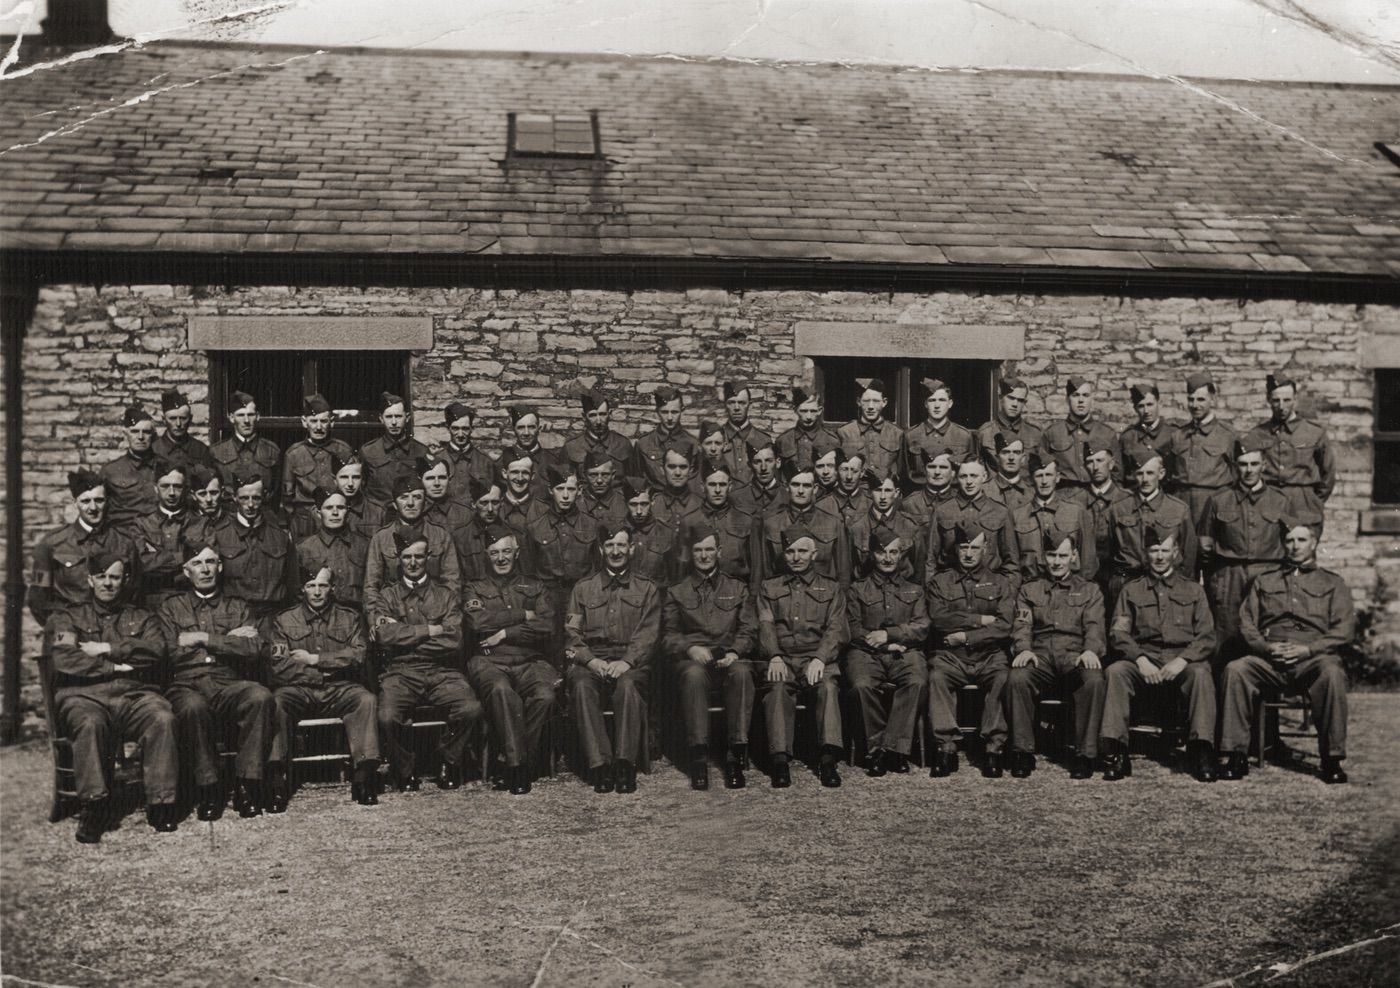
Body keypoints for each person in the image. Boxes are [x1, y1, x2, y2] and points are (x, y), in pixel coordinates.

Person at [44, 553, 178, 842]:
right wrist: (116, 665)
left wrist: (107, 647)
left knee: (162, 716)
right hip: (84, 695)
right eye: (102, 577)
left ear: (125, 580)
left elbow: (157, 652)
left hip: (134, 695)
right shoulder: (68, 617)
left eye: (115, 577)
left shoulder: (141, 617)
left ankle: (161, 802)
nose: (108, 583)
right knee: (90, 723)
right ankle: (95, 805)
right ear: (90, 580)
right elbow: (66, 660)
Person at [1220, 520, 1353, 784]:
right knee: (1236, 670)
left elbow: (1345, 628)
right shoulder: (1264, 581)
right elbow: (1246, 622)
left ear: (1314, 543)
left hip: (1312, 659)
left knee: (1332, 673)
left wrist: (1309, 650)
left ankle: (1332, 759)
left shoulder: (1333, 583)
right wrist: (1266, 648)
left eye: (1301, 540)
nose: (1295, 546)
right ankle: (1235, 754)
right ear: (1284, 545)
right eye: (1290, 540)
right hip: (1270, 659)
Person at [158, 542, 274, 820]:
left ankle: (247, 785)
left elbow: (253, 649)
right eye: (197, 563)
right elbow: (170, 652)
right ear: (187, 572)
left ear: (220, 567)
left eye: (211, 562)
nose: (205, 569)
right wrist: (230, 640)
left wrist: (203, 639)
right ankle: (208, 788)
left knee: (260, 697)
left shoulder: (237, 606)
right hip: (187, 682)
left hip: (229, 682)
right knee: (192, 707)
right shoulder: (171, 608)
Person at [1102, 527, 1218, 783]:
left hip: (1181, 660)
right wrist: (1140, 660)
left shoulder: (1194, 591)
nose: (1159, 556)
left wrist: (1183, 660)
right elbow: (1118, 633)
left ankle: (1201, 750)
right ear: (1146, 553)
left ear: (1176, 553)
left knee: (1201, 673)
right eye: (1154, 550)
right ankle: (1117, 752)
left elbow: (1207, 635)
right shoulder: (1132, 590)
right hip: (1144, 658)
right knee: (1115, 672)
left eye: (1165, 550)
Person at [370, 530, 480, 791]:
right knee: (387, 716)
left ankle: (449, 760)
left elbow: (454, 640)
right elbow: (384, 637)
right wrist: (432, 629)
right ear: (398, 558)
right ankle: (405, 769)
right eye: (407, 557)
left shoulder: (445, 596)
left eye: (419, 556)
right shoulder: (387, 596)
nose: (412, 562)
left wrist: (404, 632)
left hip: (442, 670)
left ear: (428, 557)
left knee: (470, 709)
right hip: (400, 671)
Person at [265, 564, 380, 809]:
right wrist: (325, 672)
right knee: (276, 702)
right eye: (311, 586)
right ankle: (277, 778)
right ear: (302, 590)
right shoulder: (284, 620)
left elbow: (358, 656)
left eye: (323, 586)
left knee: (365, 700)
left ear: (332, 589)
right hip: (299, 689)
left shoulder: (349, 618)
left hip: (340, 688)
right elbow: (279, 667)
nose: (317, 592)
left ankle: (364, 775)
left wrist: (315, 660)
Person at [564, 526, 662, 795]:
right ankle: (599, 765)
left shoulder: (647, 589)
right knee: (582, 686)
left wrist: (627, 661)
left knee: (627, 687)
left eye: (621, 546)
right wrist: (590, 661)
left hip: (630, 662)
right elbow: (571, 634)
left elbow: (649, 634)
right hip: (592, 661)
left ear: (632, 549)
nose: (616, 551)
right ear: (600, 550)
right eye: (610, 546)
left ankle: (624, 763)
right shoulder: (582, 589)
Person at [462, 526, 558, 795]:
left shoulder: (535, 586)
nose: (501, 558)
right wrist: (523, 615)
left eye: (506, 551)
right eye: (494, 553)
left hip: (531, 660)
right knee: (502, 691)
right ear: (486, 555)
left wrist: (506, 632)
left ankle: (510, 759)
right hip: (489, 660)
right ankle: (518, 766)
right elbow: (477, 622)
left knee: (546, 696)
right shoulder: (474, 587)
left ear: (517, 553)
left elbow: (548, 626)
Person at [663, 523, 759, 790]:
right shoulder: (677, 590)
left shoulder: (737, 588)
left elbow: (748, 628)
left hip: (729, 656)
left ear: (719, 551)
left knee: (741, 673)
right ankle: (699, 755)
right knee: (693, 676)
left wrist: (734, 651)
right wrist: (689, 648)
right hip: (694, 660)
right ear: (689, 554)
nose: (704, 556)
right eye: (697, 550)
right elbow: (668, 635)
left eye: (708, 550)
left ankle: (734, 753)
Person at [1006, 529, 1107, 780]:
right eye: (1051, 555)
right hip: (1039, 654)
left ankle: (1085, 754)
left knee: (1093, 680)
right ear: (1044, 556)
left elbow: (1095, 626)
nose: (1057, 561)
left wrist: (1090, 651)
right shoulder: (1030, 590)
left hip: (1074, 654)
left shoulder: (1090, 590)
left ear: (1073, 556)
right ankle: (1023, 751)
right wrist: (1024, 649)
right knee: (1017, 678)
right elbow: (1022, 625)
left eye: (1063, 555)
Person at [756, 525, 848, 788]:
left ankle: (828, 759)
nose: (796, 557)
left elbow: (836, 628)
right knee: (776, 689)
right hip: (782, 658)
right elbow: (765, 624)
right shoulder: (768, 587)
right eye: (790, 551)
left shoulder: (831, 589)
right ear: (783, 555)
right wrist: (773, 655)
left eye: (802, 551)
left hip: (817, 659)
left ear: (815, 554)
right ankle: (780, 760)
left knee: (828, 688)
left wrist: (820, 658)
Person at [927, 522, 1014, 778]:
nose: (968, 554)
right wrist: (979, 620)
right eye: (963, 547)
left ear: (985, 549)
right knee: (936, 676)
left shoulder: (1000, 583)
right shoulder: (940, 582)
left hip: (989, 655)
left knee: (1002, 677)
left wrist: (966, 635)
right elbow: (938, 619)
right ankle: (946, 747)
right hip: (951, 657)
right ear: (955, 549)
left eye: (974, 548)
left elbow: (1005, 626)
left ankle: (993, 749)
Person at [843, 534, 928, 777]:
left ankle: (893, 750)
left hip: (906, 652)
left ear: (901, 555)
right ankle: (877, 748)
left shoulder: (915, 590)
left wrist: (890, 635)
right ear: (871, 555)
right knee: (861, 686)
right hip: (865, 653)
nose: (888, 558)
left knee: (918, 682)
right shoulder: (857, 589)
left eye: (893, 552)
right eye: (881, 552)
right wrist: (883, 644)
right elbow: (852, 627)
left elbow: (921, 626)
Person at [1198, 435, 1289, 661]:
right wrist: (1218, 578)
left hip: (1268, 574)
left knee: (1266, 630)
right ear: (1235, 466)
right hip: (1229, 576)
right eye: (1243, 464)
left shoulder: (1280, 501)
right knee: (1225, 634)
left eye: (1254, 464)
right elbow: (1205, 545)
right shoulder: (1219, 500)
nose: (1249, 470)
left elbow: (1291, 543)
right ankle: (1221, 692)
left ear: (1264, 466)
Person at [28, 471, 140, 626]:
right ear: (75, 502)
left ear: (107, 501)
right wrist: (62, 626)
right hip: (70, 628)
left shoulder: (124, 543)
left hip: (113, 631)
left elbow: (134, 593)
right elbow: (38, 599)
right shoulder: (52, 543)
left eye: (99, 500)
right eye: (86, 501)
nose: (93, 507)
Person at [1105, 452, 1198, 612]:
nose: (1145, 479)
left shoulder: (1178, 509)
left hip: (1166, 584)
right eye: (1140, 473)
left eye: (1150, 473)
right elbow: (1110, 549)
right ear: (1134, 475)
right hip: (1127, 580)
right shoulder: (1118, 508)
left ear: (1161, 474)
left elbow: (1188, 553)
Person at [364, 468, 461, 617]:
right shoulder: (381, 538)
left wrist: (441, 616)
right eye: (404, 497)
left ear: (425, 502)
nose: (410, 503)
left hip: (434, 613)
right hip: (394, 613)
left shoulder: (441, 536)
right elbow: (371, 586)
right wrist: (376, 619)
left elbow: (452, 582)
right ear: (395, 505)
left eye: (416, 497)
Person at [522, 463, 597, 655]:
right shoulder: (535, 527)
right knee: (550, 647)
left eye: (570, 489)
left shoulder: (592, 525)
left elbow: (598, 568)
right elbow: (527, 571)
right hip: (548, 598)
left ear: (579, 491)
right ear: (550, 490)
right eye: (560, 489)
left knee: (580, 644)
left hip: (581, 597)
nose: (565, 495)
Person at [1247, 373, 1336, 528]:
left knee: (1302, 551)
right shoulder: (1257, 434)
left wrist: (1312, 501)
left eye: (1287, 400)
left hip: (1303, 507)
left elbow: (1327, 474)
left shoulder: (1314, 433)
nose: (1281, 406)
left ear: (1295, 399)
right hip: (1268, 506)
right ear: (1269, 400)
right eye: (1276, 400)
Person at [210, 474, 298, 620]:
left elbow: (294, 585)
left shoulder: (281, 536)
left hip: (274, 617)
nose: (250, 504)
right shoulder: (219, 535)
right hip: (233, 618)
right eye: (244, 498)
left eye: (256, 498)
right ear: (234, 498)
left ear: (264, 497)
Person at [756, 463, 851, 587]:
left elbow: (843, 574)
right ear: (786, 487)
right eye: (795, 485)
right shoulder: (771, 524)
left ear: (815, 489)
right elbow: (764, 571)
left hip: (822, 598)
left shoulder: (833, 523)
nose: (800, 491)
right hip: (782, 597)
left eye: (806, 486)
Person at [1164, 372, 1237, 531]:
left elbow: (1237, 477)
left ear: (1213, 399)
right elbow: (1169, 475)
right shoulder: (1178, 436)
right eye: (1191, 399)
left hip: (1213, 505)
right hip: (1181, 504)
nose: (1195, 405)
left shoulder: (1228, 435)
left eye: (1201, 399)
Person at [930, 457, 1019, 583]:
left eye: (974, 476)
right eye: (963, 476)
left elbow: (1012, 562)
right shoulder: (942, 510)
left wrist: (1007, 593)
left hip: (989, 588)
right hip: (950, 589)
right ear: (956, 478)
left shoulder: (1000, 512)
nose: (969, 481)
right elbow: (930, 559)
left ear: (984, 477)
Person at [1012, 454, 1097, 582]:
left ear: (1057, 478)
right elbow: (1012, 563)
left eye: (1049, 475)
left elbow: (1088, 560)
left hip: (1069, 589)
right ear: (1031, 480)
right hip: (1030, 589)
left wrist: (1078, 592)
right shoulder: (1018, 515)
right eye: (1039, 476)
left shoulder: (1076, 511)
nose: (1044, 481)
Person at [281, 393, 354, 541]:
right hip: (305, 525)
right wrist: (291, 527)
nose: (319, 427)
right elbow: (287, 497)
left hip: (337, 521)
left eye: (323, 421)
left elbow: (352, 489)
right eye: (313, 421)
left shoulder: (343, 450)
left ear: (331, 422)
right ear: (304, 422)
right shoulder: (294, 454)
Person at [130, 460, 202, 607]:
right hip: (151, 601)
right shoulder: (141, 524)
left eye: (177, 487)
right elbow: (142, 565)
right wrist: (186, 556)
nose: (171, 493)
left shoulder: (200, 523)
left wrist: (157, 556)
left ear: (186, 490)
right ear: (156, 488)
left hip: (191, 601)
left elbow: (204, 565)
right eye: (165, 486)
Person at [1067, 440, 1132, 601]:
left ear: (1111, 464)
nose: (1095, 467)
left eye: (1100, 461)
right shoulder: (1074, 501)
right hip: (1083, 579)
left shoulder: (1128, 500)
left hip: (1120, 580)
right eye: (1090, 462)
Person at [678, 458, 757, 586]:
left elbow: (756, 566)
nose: (718, 490)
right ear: (703, 487)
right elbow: (681, 566)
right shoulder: (689, 520)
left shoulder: (745, 520)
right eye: (712, 485)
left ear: (730, 487)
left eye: (723, 484)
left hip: (737, 590)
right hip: (699, 591)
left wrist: (752, 597)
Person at [295, 486, 371, 612]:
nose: (335, 513)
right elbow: (297, 593)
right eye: (329, 508)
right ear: (318, 512)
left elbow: (372, 587)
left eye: (340, 508)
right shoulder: (304, 548)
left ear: (348, 511)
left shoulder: (364, 545)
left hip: (357, 615)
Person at [1039, 377, 1118, 490]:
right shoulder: (1052, 433)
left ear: (1092, 400)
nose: (1081, 400)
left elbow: (1117, 474)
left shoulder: (1107, 433)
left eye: (1085, 395)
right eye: (1075, 395)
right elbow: (1041, 471)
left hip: (1096, 496)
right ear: (1067, 399)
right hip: (1063, 497)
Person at [903, 378, 979, 491]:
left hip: (954, 498)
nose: (937, 405)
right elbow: (905, 474)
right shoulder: (911, 435)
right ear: (925, 404)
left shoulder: (964, 436)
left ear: (950, 403)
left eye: (942, 400)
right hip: (920, 497)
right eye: (932, 400)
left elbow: (972, 471)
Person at [359, 392, 430, 510]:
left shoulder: (421, 452)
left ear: (407, 418)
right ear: (381, 418)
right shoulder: (368, 452)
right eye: (388, 417)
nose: (393, 422)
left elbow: (428, 490)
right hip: (377, 519)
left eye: (398, 416)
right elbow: (361, 489)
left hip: (410, 515)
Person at [847, 472, 922, 582]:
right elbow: (849, 570)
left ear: (896, 493)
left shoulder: (910, 527)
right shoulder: (856, 528)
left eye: (887, 491)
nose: (882, 497)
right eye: (878, 490)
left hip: (902, 592)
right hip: (867, 593)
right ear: (869, 492)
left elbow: (919, 572)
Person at [210, 390, 281, 503]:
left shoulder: (271, 451)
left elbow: (277, 492)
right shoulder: (217, 452)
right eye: (241, 415)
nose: (246, 421)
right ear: (231, 417)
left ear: (258, 416)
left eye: (251, 415)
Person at [101, 405, 162, 533]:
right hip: (123, 538)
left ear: (153, 435)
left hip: (158, 536)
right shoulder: (111, 471)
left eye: (146, 432)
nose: (140, 437)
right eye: (134, 431)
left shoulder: (166, 468)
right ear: (126, 434)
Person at [630, 386, 698, 490]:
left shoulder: (693, 444)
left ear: (682, 410)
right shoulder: (643, 444)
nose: (670, 418)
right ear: (657, 412)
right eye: (665, 412)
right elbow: (637, 482)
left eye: (674, 412)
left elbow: (696, 484)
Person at [837, 378, 902, 480]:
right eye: (866, 401)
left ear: (884, 402)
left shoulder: (897, 434)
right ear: (859, 402)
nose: (870, 406)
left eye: (876, 401)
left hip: (885, 491)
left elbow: (901, 472)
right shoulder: (844, 432)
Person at [563, 388, 633, 477]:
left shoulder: (623, 444)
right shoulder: (571, 447)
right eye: (592, 415)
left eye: (603, 414)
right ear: (584, 417)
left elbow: (633, 480)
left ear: (609, 415)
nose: (598, 421)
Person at [438, 401, 497, 504]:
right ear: (448, 428)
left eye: (465, 429)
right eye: (455, 428)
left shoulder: (485, 462)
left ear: (471, 429)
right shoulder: (437, 460)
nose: (460, 434)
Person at [621, 478, 678, 585]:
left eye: (644, 504)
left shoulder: (667, 533)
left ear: (652, 501)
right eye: (633, 504)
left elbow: (674, 577)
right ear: (625, 503)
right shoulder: (618, 533)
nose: (638, 511)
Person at [978, 377, 1042, 470]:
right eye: (1011, 398)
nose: (1015, 404)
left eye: (1020, 400)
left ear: (1024, 403)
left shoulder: (1034, 434)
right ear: (1001, 398)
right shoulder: (985, 433)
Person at [500, 405, 562, 498]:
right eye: (521, 427)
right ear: (514, 429)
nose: (526, 433)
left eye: (531, 427)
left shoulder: (553, 461)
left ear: (539, 428)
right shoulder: (501, 462)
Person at [775, 388, 840, 472]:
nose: (808, 417)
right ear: (795, 410)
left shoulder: (832, 440)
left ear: (819, 411)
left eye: (813, 411)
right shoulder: (783, 440)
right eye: (804, 411)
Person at [456, 477, 508, 581]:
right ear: (473, 504)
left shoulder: (514, 533)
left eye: (495, 502)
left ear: (502, 503)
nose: (490, 509)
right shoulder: (460, 537)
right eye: (484, 503)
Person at [152, 388, 215, 474]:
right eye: (172, 418)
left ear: (190, 419)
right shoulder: (153, 450)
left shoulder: (201, 450)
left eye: (183, 418)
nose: (178, 424)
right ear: (164, 420)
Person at [1118, 384, 1172, 482]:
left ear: (1159, 403)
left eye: (1150, 404)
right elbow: (1121, 475)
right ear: (1135, 408)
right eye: (1141, 406)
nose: (1146, 411)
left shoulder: (1173, 434)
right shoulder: (1128, 437)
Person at [899, 448, 959, 537]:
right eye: (932, 467)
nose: (937, 472)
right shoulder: (909, 504)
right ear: (925, 470)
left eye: (943, 467)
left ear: (953, 473)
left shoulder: (961, 501)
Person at [720, 382, 770, 487]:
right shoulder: (715, 440)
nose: (737, 408)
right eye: (731, 402)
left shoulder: (764, 440)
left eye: (742, 403)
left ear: (749, 405)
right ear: (725, 405)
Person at [650, 448, 703, 536]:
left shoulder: (701, 505)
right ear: (662, 469)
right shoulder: (652, 506)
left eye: (683, 467)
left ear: (691, 470)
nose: (677, 473)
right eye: (672, 467)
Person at [332, 455, 383, 541]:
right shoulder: (321, 511)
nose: (350, 483)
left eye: (356, 477)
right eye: (344, 477)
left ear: (363, 480)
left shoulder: (378, 512)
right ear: (334, 480)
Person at [419, 454, 473, 535]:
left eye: (442, 478)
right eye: (430, 478)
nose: (437, 483)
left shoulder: (465, 513)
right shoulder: (414, 511)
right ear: (420, 481)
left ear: (449, 479)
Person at [735, 439, 786, 518]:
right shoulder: (737, 498)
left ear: (778, 462)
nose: (763, 468)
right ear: (750, 465)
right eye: (757, 462)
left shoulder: (788, 496)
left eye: (768, 461)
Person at [578, 449, 627, 533]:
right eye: (593, 475)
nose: (599, 480)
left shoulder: (625, 503)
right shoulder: (576, 504)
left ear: (613, 475)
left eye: (605, 475)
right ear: (585, 475)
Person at [987, 433, 1033, 513]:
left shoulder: (1032, 493)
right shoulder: (984, 490)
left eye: (1016, 452)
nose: (1011, 458)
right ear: (997, 458)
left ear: (1023, 459)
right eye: (1005, 452)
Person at [826, 450, 873, 524]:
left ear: (862, 473)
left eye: (854, 471)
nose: (849, 476)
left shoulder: (872, 505)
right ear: (836, 471)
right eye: (844, 470)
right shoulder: (822, 506)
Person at [499, 452, 540, 531]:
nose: (520, 478)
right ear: (504, 473)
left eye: (525, 473)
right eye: (514, 472)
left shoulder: (542, 510)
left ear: (532, 476)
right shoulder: (495, 508)